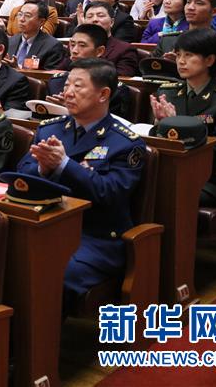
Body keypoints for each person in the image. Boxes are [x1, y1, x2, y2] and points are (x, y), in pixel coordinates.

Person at [17, 58, 144, 302]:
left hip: (96, 237)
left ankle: (44, 338)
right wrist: (44, 169)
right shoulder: (49, 129)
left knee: (48, 274)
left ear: (103, 94)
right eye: (67, 85)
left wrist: (65, 165)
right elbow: (23, 171)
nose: (68, 92)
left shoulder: (125, 143)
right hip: (47, 224)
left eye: (78, 86)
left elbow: (110, 194)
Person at [150, 29, 216, 207]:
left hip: (212, 180)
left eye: (189, 55)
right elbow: (156, 140)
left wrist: (177, 124)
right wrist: (159, 123)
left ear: (210, 60)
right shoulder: (167, 92)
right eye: (178, 54)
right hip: (171, 171)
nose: (180, 61)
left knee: (165, 195)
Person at [47, 24, 132, 118]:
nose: (74, 50)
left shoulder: (114, 89)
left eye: (82, 45)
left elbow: (111, 125)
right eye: (72, 45)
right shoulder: (56, 82)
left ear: (100, 51)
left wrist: (69, 110)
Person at [83, 1, 139, 76]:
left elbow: (122, 79)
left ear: (112, 22)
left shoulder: (125, 49)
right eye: (90, 17)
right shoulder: (76, 47)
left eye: (100, 16)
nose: (95, 19)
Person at [7, 0, 67, 70]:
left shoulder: (52, 46)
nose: (21, 19)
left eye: (27, 16)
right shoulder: (10, 41)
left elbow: (48, 77)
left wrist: (19, 70)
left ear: (41, 21)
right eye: (20, 14)